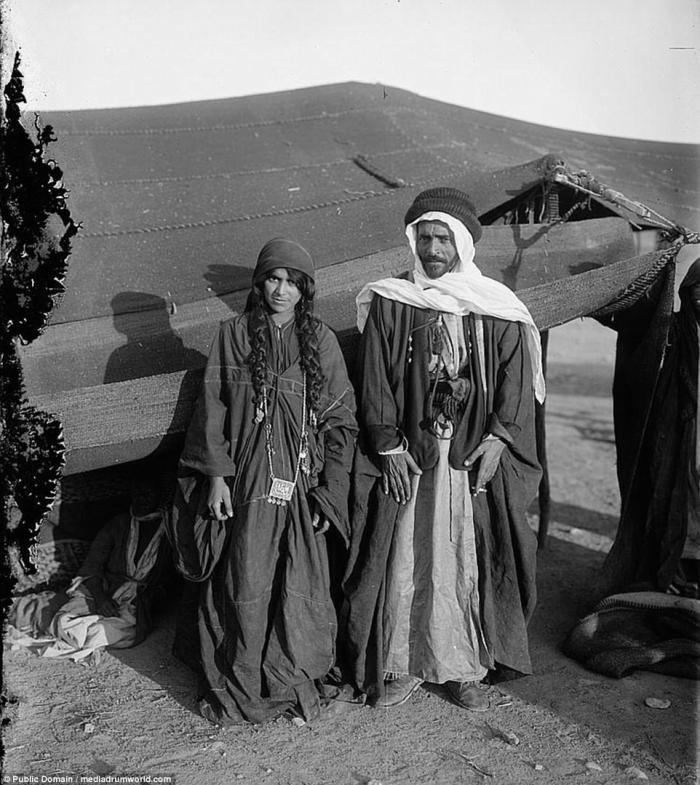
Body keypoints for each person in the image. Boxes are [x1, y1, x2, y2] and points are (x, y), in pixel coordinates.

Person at [342, 187, 544, 711]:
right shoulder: (392, 300)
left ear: (461, 243)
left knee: (463, 554)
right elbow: (375, 380)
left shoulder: (495, 305)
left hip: (470, 455)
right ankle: (401, 664)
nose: (433, 248)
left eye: (443, 237)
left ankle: (462, 668)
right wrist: (387, 446)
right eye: (425, 237)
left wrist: (501, 439)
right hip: (412, 451)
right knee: (406, 552)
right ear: (414, 241)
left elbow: (515, 380)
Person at [169, 238, 357, 725]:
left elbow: (341, 422)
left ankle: (291, 674)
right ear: (259, 282)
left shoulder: (322, 340)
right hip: (248, 486)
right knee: (246, 579)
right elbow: (212, 411)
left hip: (300, 483)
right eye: (274, 279)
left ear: (305, 291)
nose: (281, 290)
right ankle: (242, 680)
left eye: (293, 283)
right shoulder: (232, 335)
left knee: (299, 581)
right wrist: (216, 478)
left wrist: (329, 491)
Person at [601, 258, 700, 596]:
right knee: (674, 499)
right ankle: (675, 572)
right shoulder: (670, 329)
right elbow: (633, 326)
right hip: (676, 434)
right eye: (696, 289)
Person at [8, 472, 172, 661]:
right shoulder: (118, 524)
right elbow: (91, 566)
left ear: (158, 496)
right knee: (65, 623)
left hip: (136, 603)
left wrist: (148, 600)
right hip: (105, 588)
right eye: (137, 493)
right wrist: (101, 598)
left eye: (147, 494)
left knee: (114, 632)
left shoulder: (168, 533)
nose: (140, 499)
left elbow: (171, 580)